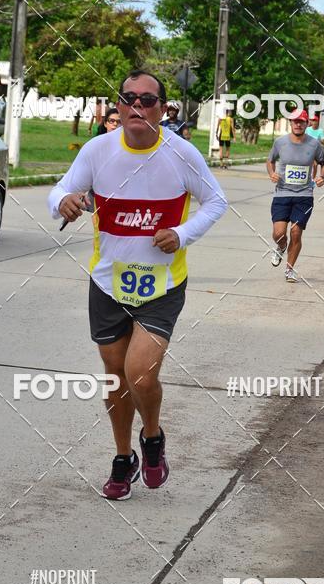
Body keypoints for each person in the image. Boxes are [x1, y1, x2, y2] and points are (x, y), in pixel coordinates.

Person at [48, 70, 227, 500]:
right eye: (128, 98)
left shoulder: (182, 155)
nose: (136, 106)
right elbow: (58, 193)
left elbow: (216, 201)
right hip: (108, 284)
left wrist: (182, 235)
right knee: (115, 377)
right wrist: (64, 202)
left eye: (147, 100)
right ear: (119, 106)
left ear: (163, 111)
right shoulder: (97, 151)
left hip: (161, 286)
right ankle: (123, 456)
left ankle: (152, 438)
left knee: (139, 375)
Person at [267, 108, 324, 283]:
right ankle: (281, 247)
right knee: (279, 233)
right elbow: (270, 160)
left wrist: (322, 177)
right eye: (295, 121)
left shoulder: (315, 144)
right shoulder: (280, 142)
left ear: (306, 124)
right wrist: (271, 173)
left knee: (296, 232)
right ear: (291, 123)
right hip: (282, 194)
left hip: (304, 195)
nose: (298, 124)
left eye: (301, 121)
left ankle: (289, 269)